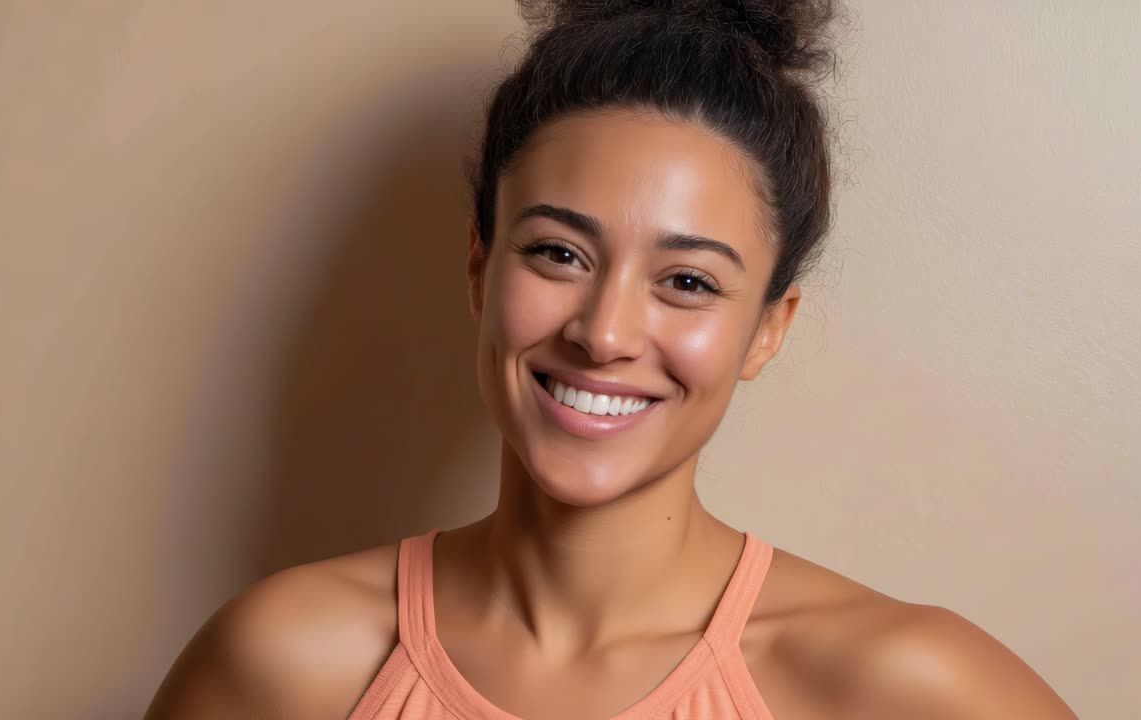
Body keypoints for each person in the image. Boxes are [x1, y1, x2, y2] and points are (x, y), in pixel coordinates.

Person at [146, 1, 1077, 717]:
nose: (605, 332)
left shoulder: (894, 684)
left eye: (689, 282)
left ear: (768, 328)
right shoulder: (286, 663)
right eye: (560, 253)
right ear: (481, 266)